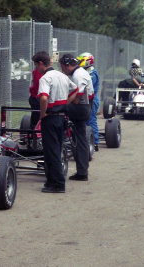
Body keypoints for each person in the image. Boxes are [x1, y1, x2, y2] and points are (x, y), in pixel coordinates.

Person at [34, 51, 78, 193]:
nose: (36, 69)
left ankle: (58, 184)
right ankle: (51, 181)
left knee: (51, 151)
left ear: (41, 64)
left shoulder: (45, 78)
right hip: (61, 117)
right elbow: (76, 89)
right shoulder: (62, 76)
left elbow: (44, 98)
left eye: (36, 65)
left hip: (51, 117)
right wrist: (65, 104)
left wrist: (42, 114)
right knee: (57, 149)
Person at [60, 54, 93, 182]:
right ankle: (82, 171)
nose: (62, 70)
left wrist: (65, 104)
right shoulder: (80, 72)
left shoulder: (78, 75)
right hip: (84, 108)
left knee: (55, 112)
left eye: (63, 67)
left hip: (81, 108)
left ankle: (58, 139)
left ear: (68, 65)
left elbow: (78, 95)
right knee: (80, 139)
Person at [78, 52, 100, 152]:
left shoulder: (92, 74)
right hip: (85, 98)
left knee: (91, 120)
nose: (79, 62)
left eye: (81, 60)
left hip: (92, 99)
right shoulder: (84, 72)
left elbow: (87, 85)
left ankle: (95, 141)